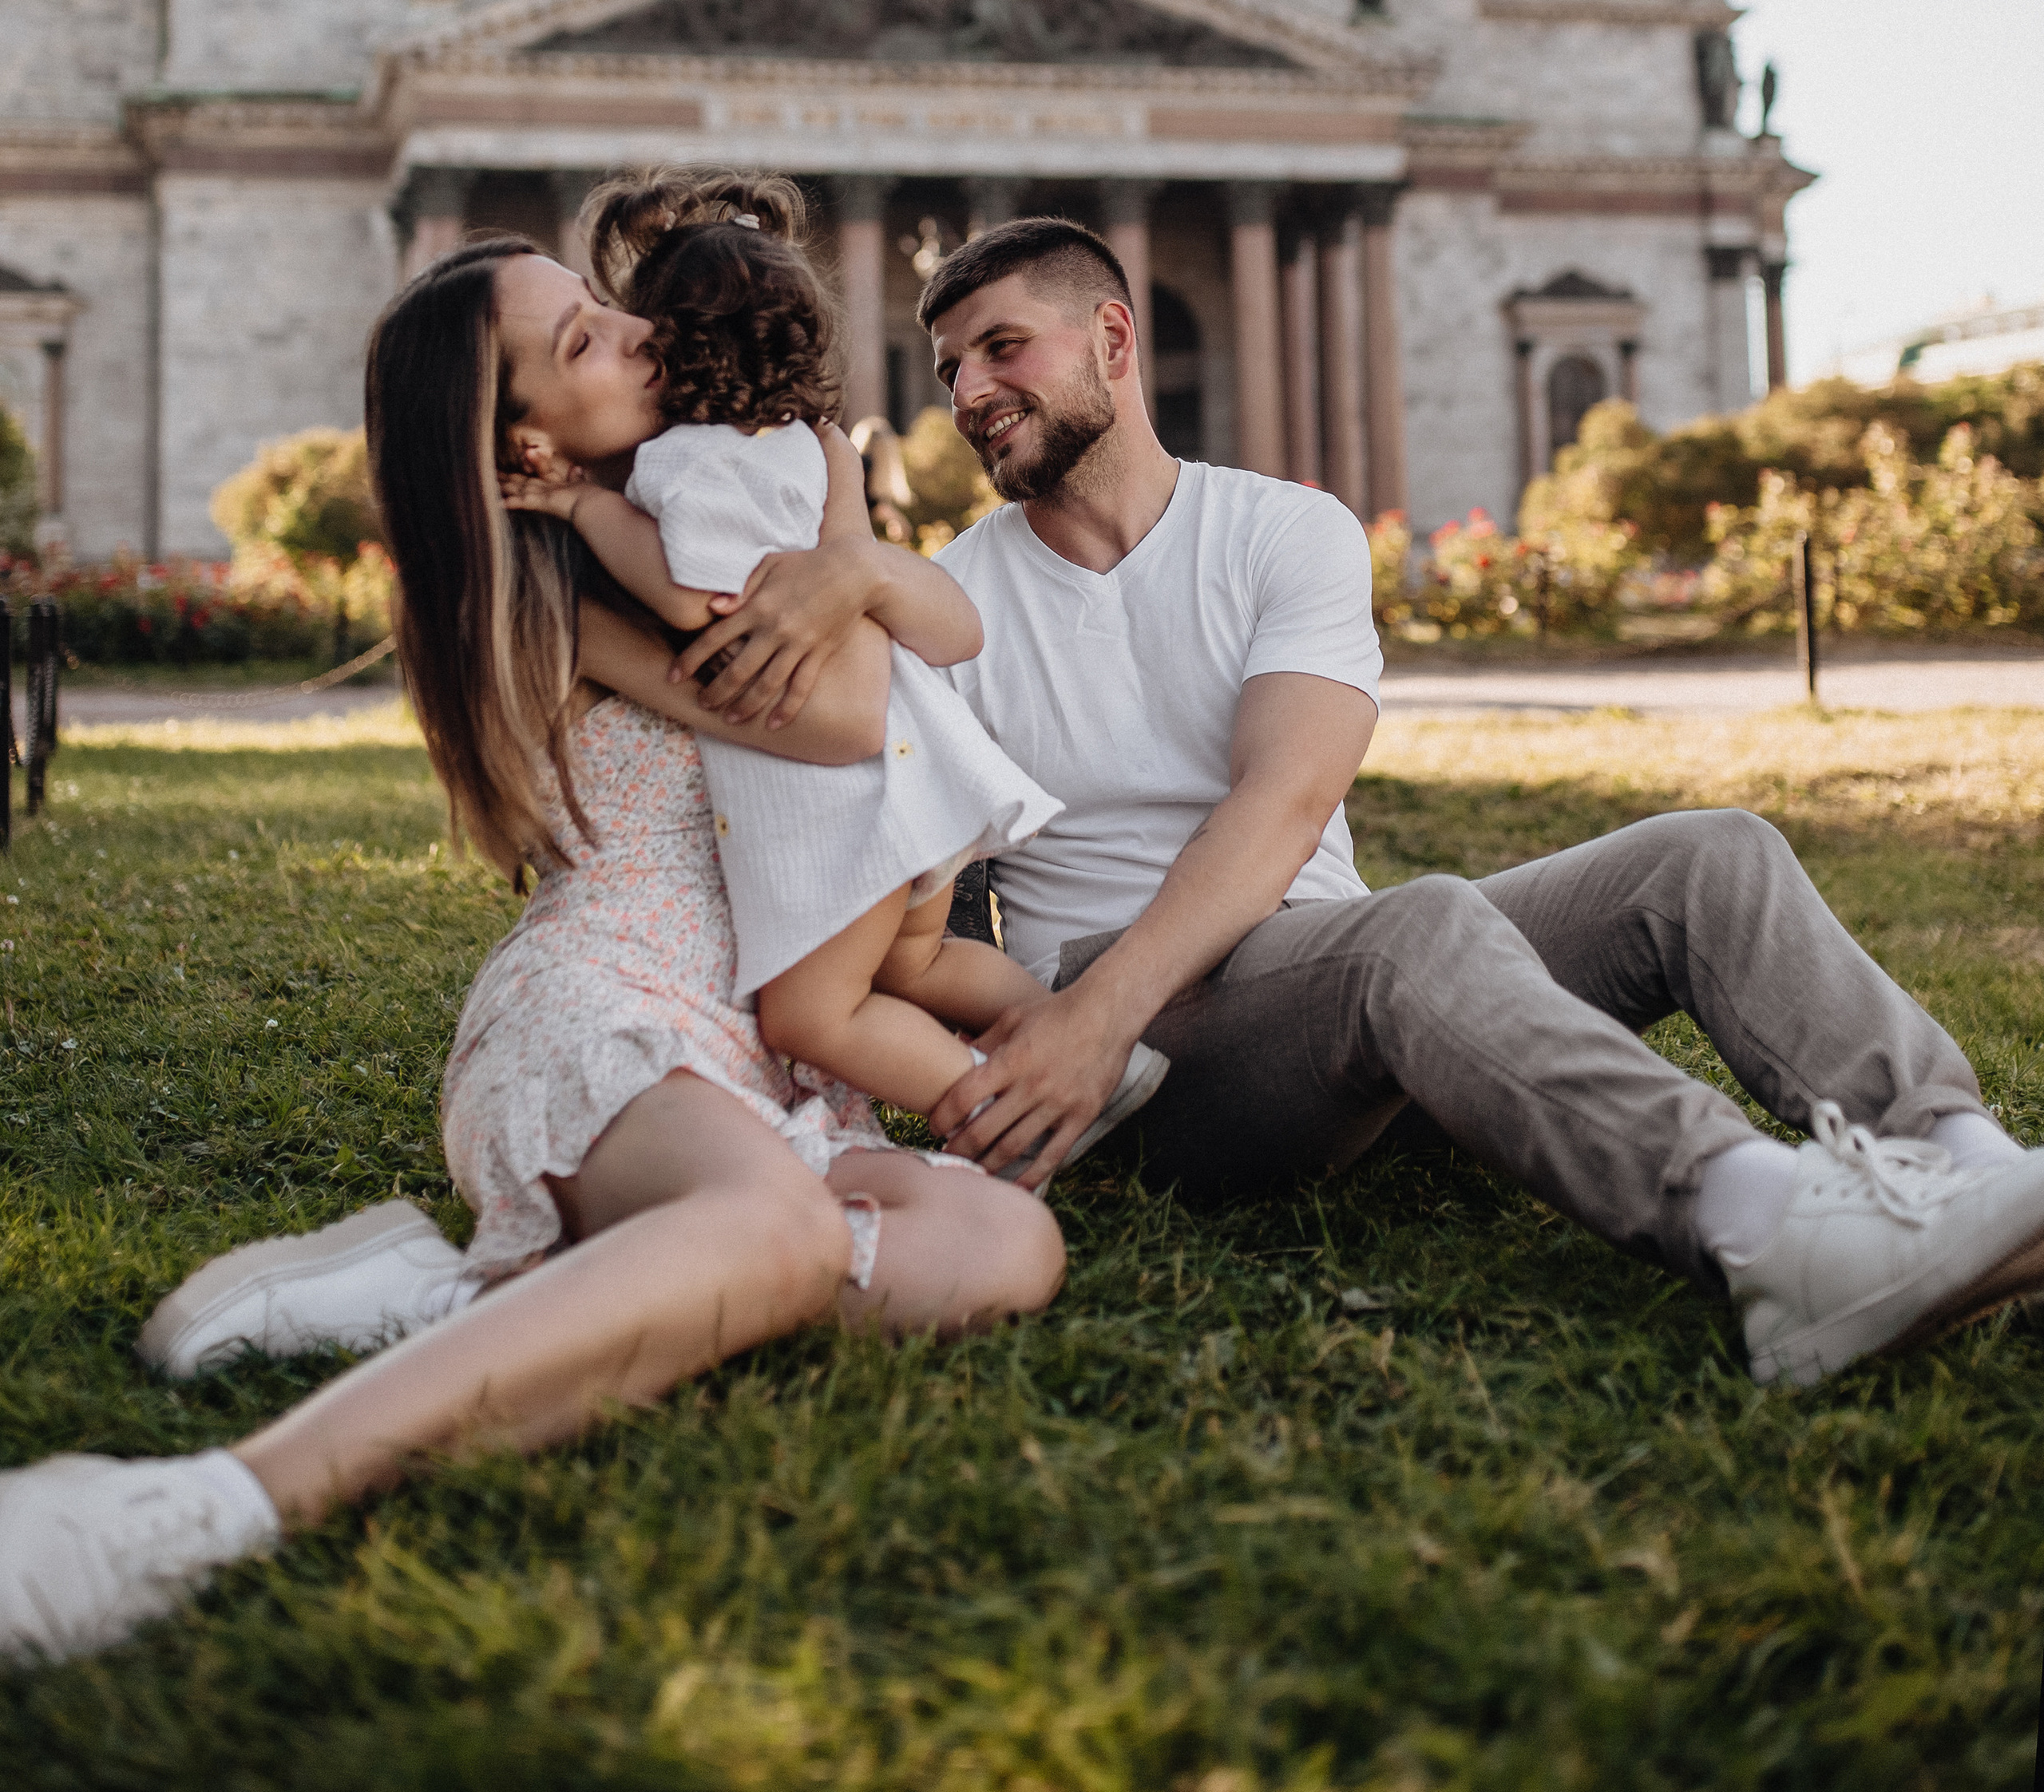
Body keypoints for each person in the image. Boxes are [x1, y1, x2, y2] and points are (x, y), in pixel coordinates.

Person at [0, 239, 1062, 1665]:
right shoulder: (563, 599)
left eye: (608, 310)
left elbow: (912, 638)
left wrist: (841, 553)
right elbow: (842, 718)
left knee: (1006, 1245)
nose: (638, 335)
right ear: (519, 442)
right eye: (582, 341)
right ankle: (214, 1501)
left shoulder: (704, 503)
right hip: (601, 1013)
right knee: (787, 1234)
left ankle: (465, 1296)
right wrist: (840, 567)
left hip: (770, 1056)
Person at [907, 216, 2044, 1392]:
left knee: (1711, 856)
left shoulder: (1282, 531)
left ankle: (1978, 1182)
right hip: (1154, 1067)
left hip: (1347, 995)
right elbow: (936, 928)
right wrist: (1085, 1030)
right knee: (1416, 929)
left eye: (1001, 347)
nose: (971, 390)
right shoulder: (948, 610)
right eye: (951, 369)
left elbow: (1288, 796)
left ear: (1110, 336)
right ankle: (1772, 1234)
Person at [497, 167, 1159, 1149]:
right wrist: (852, 551)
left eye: (625, 320)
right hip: (929, 796)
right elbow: (943, 635)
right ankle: (1080, 1043)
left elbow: (805, 667)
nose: (633, 341)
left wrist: (589, 505)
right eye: (590, 335)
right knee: (919, 966)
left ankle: (1011, 1113)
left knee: (819, 1014)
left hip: (848, 824)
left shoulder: (675, 476)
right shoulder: (815, 449)